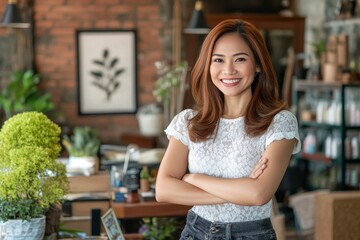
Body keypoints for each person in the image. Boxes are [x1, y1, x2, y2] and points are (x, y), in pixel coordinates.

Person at [155, 19, 301, 240]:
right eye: (218, 60)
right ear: (208, 66)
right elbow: (164, 190)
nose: (228, 70)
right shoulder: (188, 122)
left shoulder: (279, 123)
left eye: (240, 59)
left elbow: (259, 194)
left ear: (258, 64)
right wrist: (237, 192)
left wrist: (192, 178)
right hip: (196, 232)